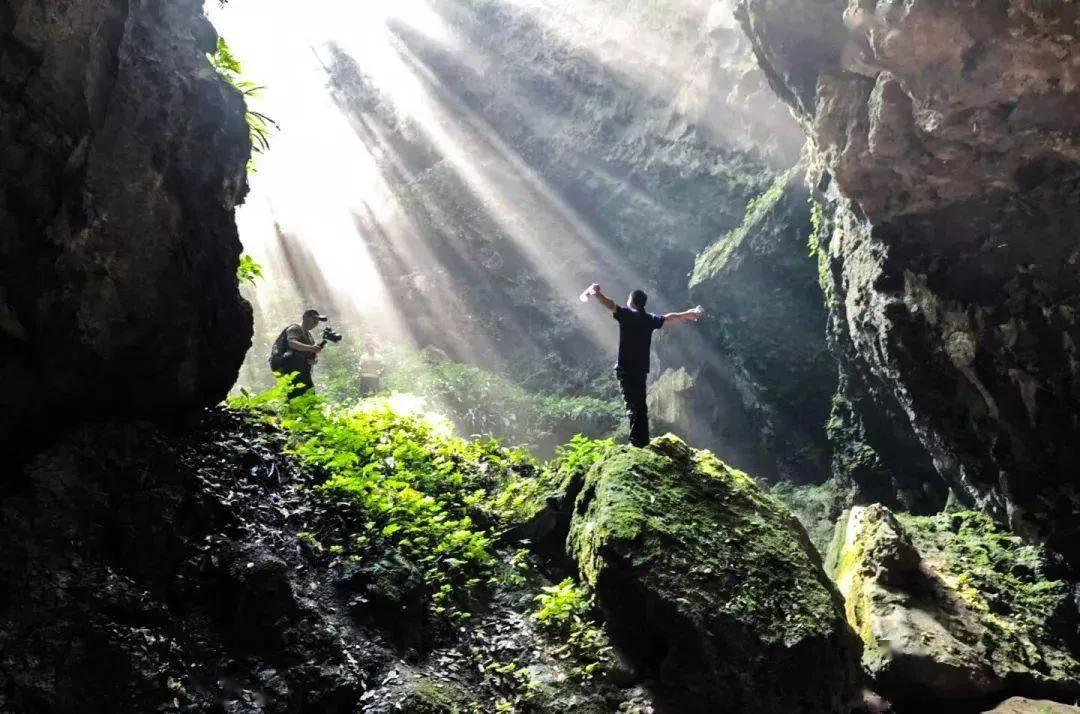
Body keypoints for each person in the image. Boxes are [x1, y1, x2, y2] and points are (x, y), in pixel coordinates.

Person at [584, 284, 704, 447]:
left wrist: (597, 294)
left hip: (626, 368)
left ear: (631, 301)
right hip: (641, 369)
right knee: (639, 404)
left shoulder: (627, 315)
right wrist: (688, 314)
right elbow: (669, 317)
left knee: (632, 404)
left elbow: (610, 305)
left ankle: (636, 442)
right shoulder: (648, 319)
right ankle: (642, 440)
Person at [269, 308, 327, 396]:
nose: (315, 322)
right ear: (304, 317)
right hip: (289, 368)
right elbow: (292, 343)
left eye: (317, 320)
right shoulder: (295, 328)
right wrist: (312, 348)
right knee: (296, 394)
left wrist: (314, 359)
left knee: (308, 394)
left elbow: (310, 355)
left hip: (302, 370)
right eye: (313, 319)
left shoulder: (309, 336)